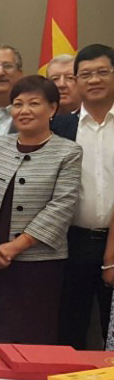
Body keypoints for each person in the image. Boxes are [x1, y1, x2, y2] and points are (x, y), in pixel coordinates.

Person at [0, 75, 81, 349]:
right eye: (18, 104)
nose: (24, 110)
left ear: (52, 109)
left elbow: (61, 207)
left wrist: (14, 248)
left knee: (30, 338)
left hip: (38, 263)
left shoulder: (68, 152)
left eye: (34, 103)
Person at [53, 44, 114, 350]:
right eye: (86, 74)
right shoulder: (59, 127)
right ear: (75, 81)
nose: (94, 80)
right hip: (71, 242)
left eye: (102, 72)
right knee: (68, 330)